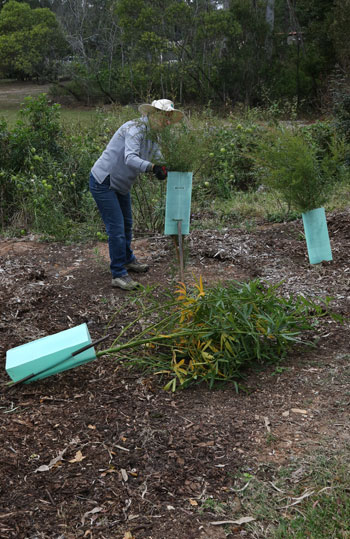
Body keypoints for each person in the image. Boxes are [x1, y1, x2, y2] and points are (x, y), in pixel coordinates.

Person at [89, 99, 184, 290]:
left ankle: (127, 260)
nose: (167, 123)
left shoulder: (153, 134)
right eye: (165, 117)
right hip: (104, 181)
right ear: (153, 114)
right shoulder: (135, 129)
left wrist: (165, 167)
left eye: (169, 119)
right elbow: (130, 158)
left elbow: (156, 155)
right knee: (116, 228)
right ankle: (118, 273)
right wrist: (152, 168)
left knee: (127, 225)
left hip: (122, 184)